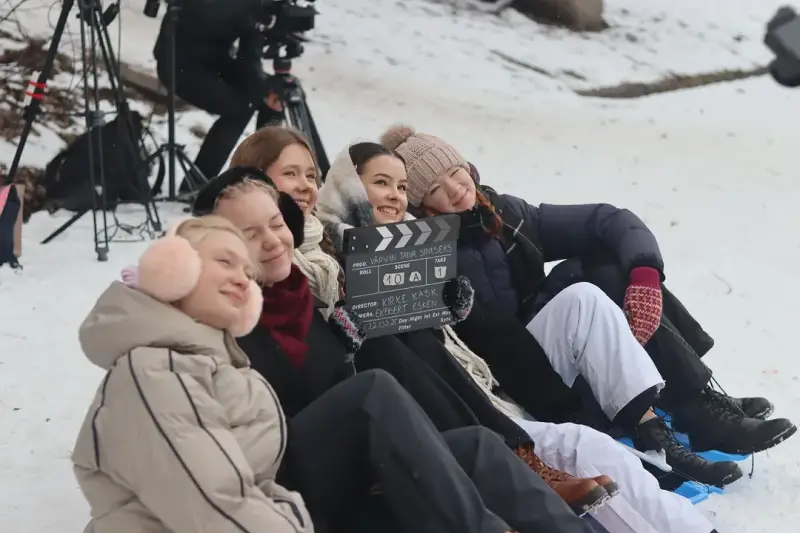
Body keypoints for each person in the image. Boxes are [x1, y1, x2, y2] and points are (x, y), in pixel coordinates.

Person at [72, 215, 596, 533]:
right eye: (223, 262)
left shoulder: (210, 355)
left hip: (285, 510)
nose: (240, 277)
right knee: (372, 395)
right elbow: (215, 508)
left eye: (243, 269)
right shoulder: (155, 370)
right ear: (173, 271)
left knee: (476, 450)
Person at [314, 140, 721, 533]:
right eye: (381, 183)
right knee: (589, 448)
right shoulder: (331, 261)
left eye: (401, 186)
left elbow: (603, 220)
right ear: (349, 187)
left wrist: (644, 271)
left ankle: (659, 434)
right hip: (448, 420)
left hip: (490, 392)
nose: (395, 195)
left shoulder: (483, 219)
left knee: (589, 293)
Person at [222, 127, 620, 513]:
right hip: (319, 431)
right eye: (291, 173)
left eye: (311, 175)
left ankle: (520, 456)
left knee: (416, 336)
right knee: (385, 342)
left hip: (405, 392)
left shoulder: (322, 244)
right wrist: (346, 335)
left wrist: (444, 307)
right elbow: (292, 355)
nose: (306, 185)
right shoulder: (268, 261)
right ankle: (515, 461)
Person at [376, 125, 797, 465]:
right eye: (436, 188)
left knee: (610, 266)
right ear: (422, 205)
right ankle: (683, 407)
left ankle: (695, 400)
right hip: (517, 374)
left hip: (549, 342)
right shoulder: (426, 252)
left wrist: (645, 275)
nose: (454, 188)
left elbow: (607, 220)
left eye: (455, 172)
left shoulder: (504, 213)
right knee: (584, 292)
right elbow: (483, 334)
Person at [153, 0, 283, 188]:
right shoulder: (241, 8)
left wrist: (263, 88)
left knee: (274, 91)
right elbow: (247, 54)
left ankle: (263, 178)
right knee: (239, 109)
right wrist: (255, 23)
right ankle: (196, 185)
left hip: (212, 59)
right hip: (178, 65)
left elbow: (247, 58)